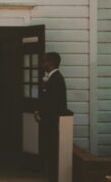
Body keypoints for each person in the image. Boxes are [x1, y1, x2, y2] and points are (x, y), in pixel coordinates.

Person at [37, 51, 67, 182]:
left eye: (44, 61)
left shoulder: (57, 78)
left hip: (52, 121)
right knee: (49, 150)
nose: (42, 64)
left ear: (51, 63)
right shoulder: (51, 77)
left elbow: (53, 102)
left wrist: (44, 116)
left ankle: (54, 178)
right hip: (49, 120)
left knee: (53, 150)